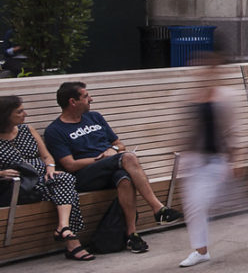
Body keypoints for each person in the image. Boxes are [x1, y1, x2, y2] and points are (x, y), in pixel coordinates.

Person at [43, 81, 182, 254]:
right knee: (128, 158)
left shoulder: (95, 117)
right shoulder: (55, 130)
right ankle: (158, 209)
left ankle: (132, 235)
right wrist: (100, 159)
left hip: (111, 166)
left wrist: (112, 150)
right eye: (86, 96)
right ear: (73, 102)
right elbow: (70, 165)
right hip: (85, 176)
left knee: (124, 178)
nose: (91, 99)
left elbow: (119, 144)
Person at [0, 95, 89, 260]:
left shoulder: (28, 130)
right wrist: (2, 173)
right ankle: (71, 242)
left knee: (65, 180)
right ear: (5, 116)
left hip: (42, 180)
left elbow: (47, 157)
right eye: (19, 112)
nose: (25, 114)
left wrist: (50, 168)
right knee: (66, 192)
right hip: (17, 187)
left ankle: (64, 227)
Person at [177, 53, 242, 267]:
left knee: (203, 202)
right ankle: (201, 250)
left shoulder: (225, 96)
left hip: (216, 158)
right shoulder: (190, 95)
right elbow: (184, 128)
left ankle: (246, 218)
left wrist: (235, 159)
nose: (200, 72)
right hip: (195, 159)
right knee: (194, 206)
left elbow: (233, 128)